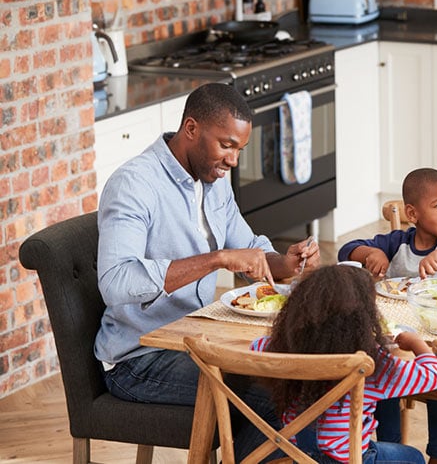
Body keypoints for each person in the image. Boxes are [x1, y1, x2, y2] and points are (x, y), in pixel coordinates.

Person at [95, 82, 320, 460]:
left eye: (239, 149)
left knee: (303, 376)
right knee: (280, 396)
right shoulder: (134, 185)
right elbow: (116, 283)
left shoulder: (214, 180)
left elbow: (250, 251)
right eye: (226, 145)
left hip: (199, 337)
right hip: (140, 359)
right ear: (192, 129)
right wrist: (217, 259)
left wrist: (287, 262)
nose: (233, 160)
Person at [337, 167, 437, 464]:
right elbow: (347, 250)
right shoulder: (397, 243)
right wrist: (370, 254)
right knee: (383, 377)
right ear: (413, 213)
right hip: (396, 338)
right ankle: (390, 447)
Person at [251, 264, 437, 463]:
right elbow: (435, 374)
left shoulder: (280, 350)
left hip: (299, 456)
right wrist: (416, 343)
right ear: (364, 318)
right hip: (352, 459)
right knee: (413, 457)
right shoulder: (372, 365)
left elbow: (256, 345)